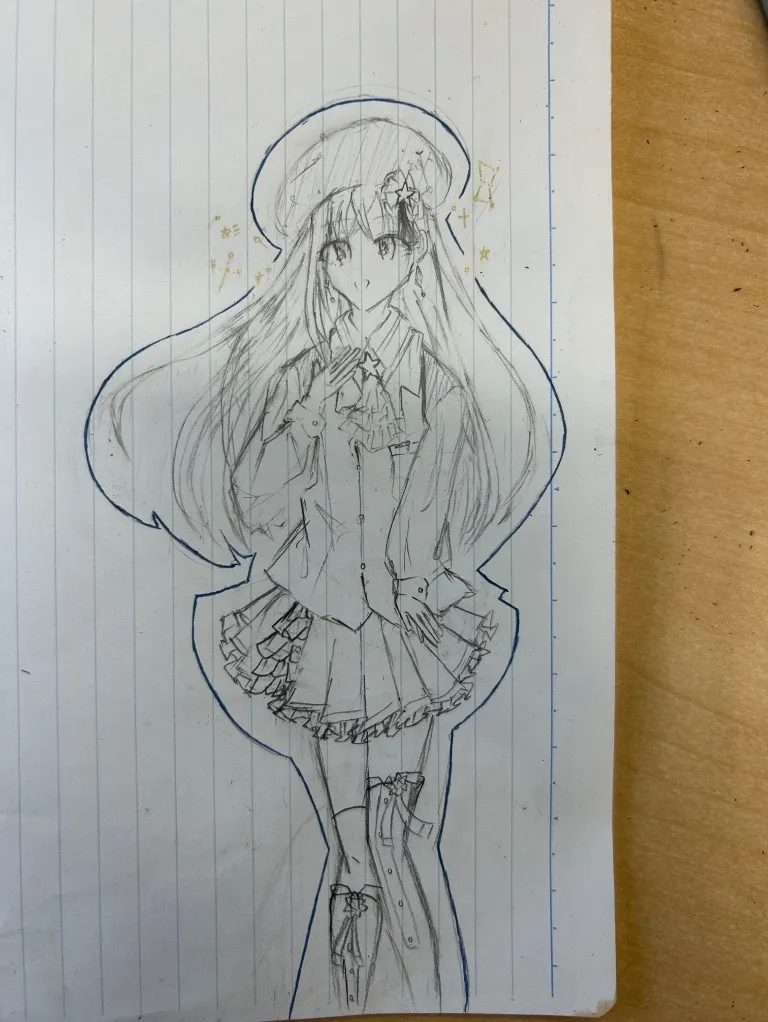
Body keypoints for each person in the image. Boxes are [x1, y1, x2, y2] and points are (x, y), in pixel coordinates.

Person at [86, 98, 563, 1014]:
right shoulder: (298, 379)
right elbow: (265, 507)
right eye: (341, 248)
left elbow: (430, 507)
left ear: (418, 248)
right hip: (318, 629)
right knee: (352, 855)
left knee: (400, 830)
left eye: (385, 243)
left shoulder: (441, 384)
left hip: (405, 625)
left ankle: (419, 991)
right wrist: (302, 425)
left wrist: (412, 573)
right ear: (316, 256)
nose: (364, 267)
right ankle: (348, 987)